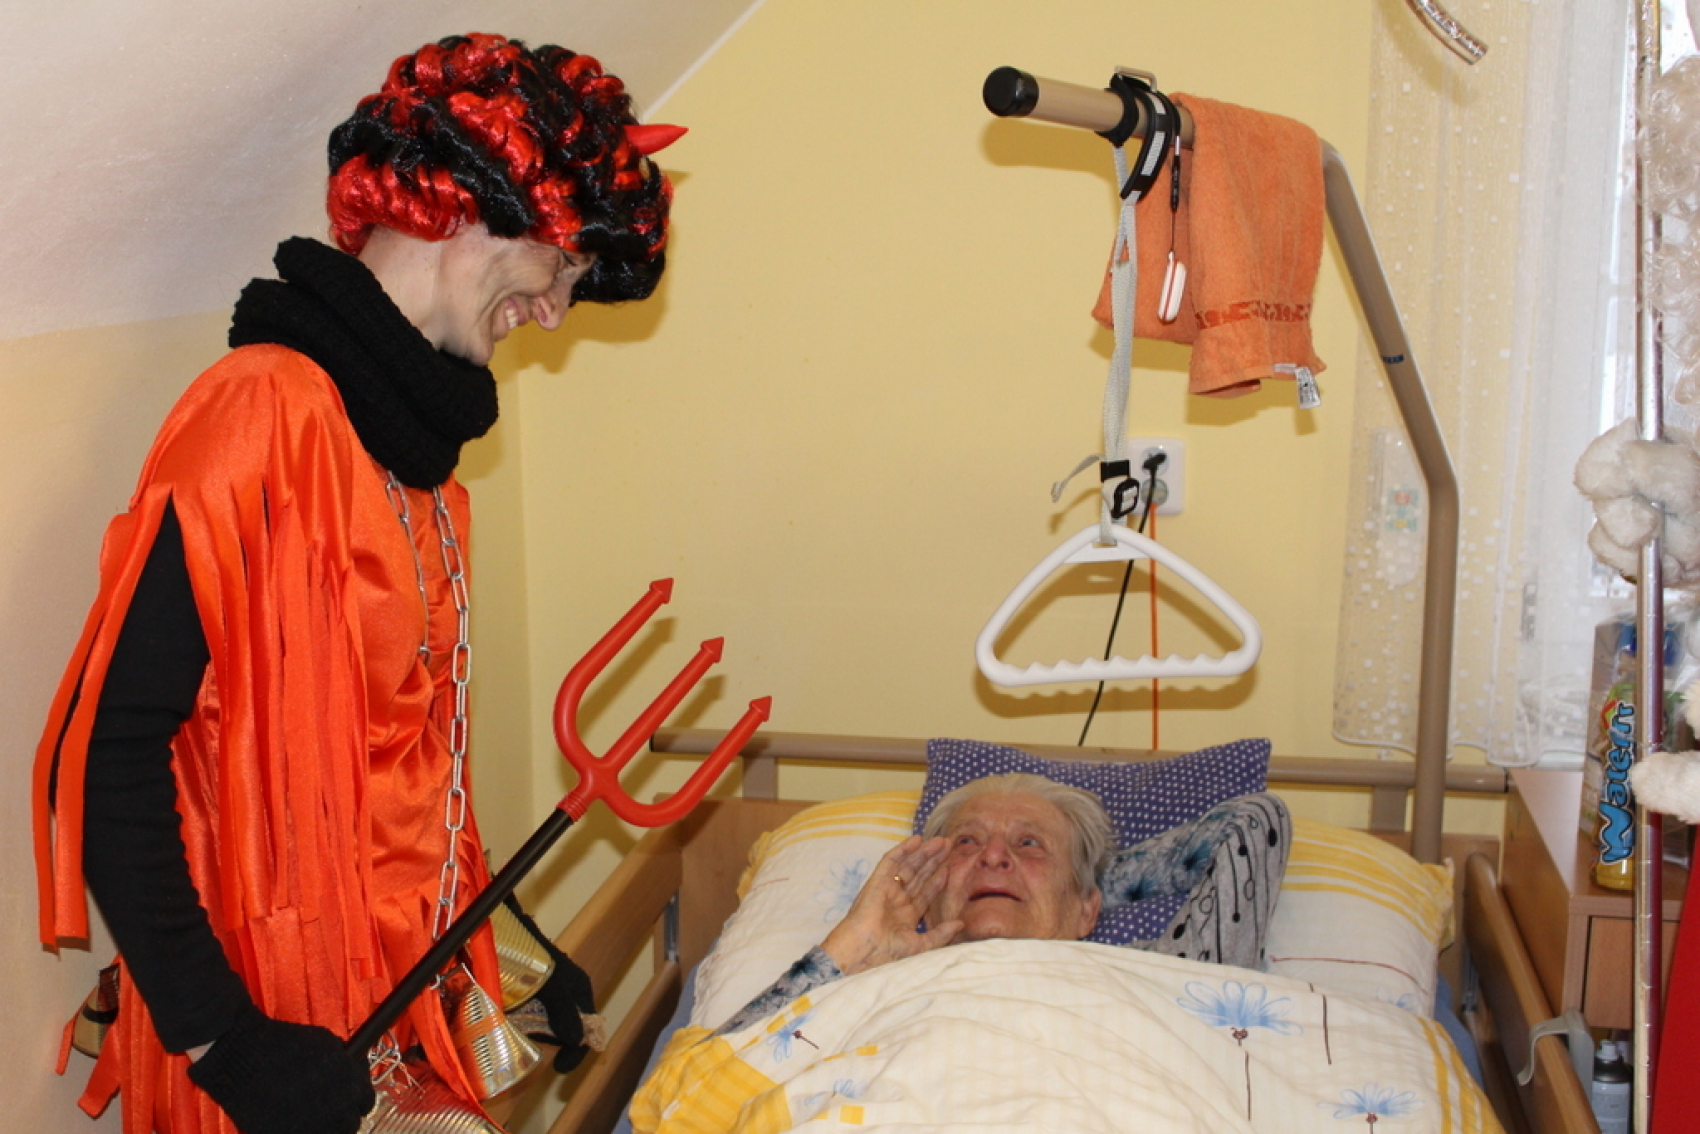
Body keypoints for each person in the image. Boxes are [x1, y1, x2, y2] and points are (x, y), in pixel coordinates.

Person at [31, 33, 677, 1134]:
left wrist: (511, 949)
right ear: (475, 208)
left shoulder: (423, 468)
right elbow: (108, 751)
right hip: (264, 1028)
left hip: (393, 1013)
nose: (555, 313)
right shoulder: (260, 416)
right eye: (563, 270)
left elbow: (413, 788)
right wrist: (223, 1039)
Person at [714, 774, 1291, 1034]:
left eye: (1029, 844)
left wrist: (1081, 882)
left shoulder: (1163, 975)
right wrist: (850, 946)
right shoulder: (858, 982)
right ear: (927, 892)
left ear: (1089, 912)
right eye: (967, 843)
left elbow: (1254, 822)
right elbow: (701, 1093)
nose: (993, 856)